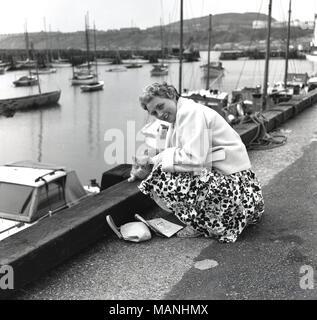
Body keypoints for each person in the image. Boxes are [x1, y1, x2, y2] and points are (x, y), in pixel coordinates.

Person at [136, 82, 264, 243]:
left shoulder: (190, 113)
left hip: (233, 188)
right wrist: (151, 161)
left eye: (160, 106)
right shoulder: (182, 113)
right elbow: (181, 154)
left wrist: (156, 162)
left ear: (171, 96)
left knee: (162, 175)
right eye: (154, 112)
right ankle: (206, 216)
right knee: (164, 168)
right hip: (243, 191)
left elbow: (194, 159)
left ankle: (203, 224)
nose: (160, 114)